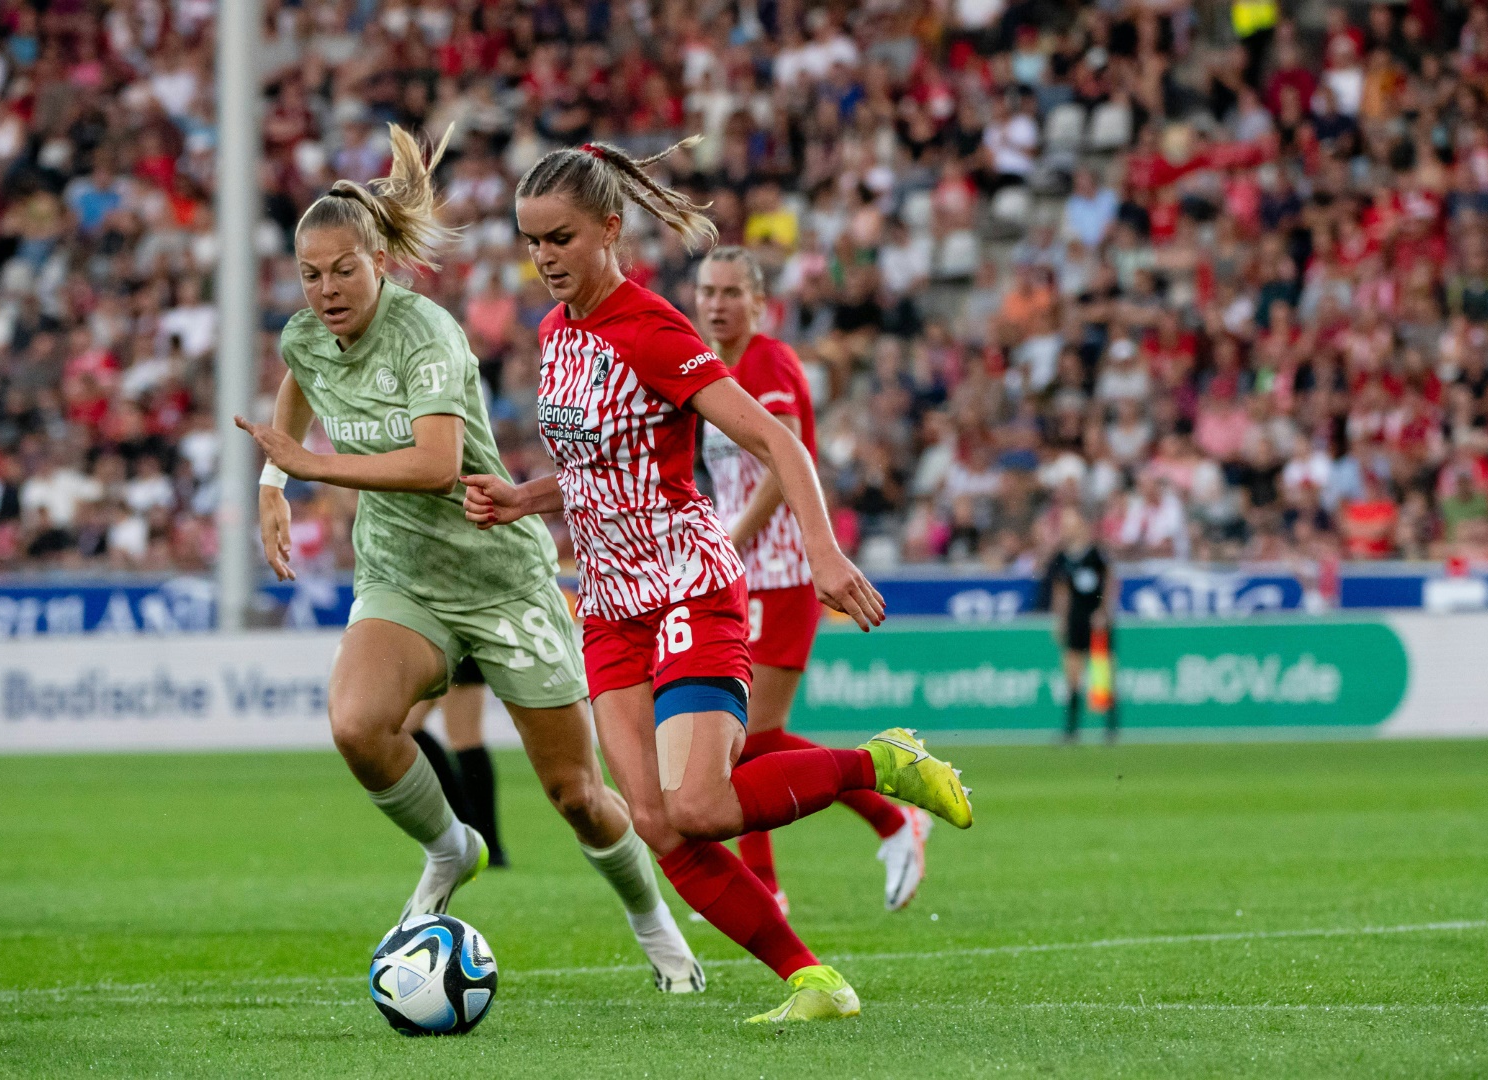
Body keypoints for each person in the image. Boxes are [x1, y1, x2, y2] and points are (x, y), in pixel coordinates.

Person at [464, 138, 974, 1025]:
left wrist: (821, 553)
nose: (543, 258)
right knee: (657, 825)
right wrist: (524, 497)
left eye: (560, 238)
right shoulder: (555, 333)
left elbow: (779, 442)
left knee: (699, 805)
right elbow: (598, 464)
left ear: (610, 229)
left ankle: (880, 763)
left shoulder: (654, 328)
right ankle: (815, 982)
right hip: (610, 607)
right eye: (532, 240)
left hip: (687, 585)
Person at [233, 123, 703, 993]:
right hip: (402, 578)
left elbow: (436, 466)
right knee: (355, 725)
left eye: (344, 269)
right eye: (311, 274)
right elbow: (299, 380)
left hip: (501, 579)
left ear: (380, 258)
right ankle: (454, 849)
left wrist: (309, 468)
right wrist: (271, 479)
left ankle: (655, 924)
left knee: (576, 796)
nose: (327, 289)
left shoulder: (429, 337)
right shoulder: (306, 333)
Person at [694, 245, 931, 913]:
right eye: (708, 291)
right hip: (744, 576)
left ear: (759, 301)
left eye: (731, 292)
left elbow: (782, 457)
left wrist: (731, 537)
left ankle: (893, 818)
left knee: (754, 737)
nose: (716, 303)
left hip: (783, 570)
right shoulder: (713, 369)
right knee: (734, 741)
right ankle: (767, 886)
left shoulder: (767, 361)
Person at [405, 658, 507, 867]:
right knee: (406, 727)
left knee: (465, 738)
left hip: (457, 639)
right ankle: (465, 833)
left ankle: (488, 846)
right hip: (434, 639)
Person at [1047, 507, 1119, 743]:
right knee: (1073, 675)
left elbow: (1110, 580)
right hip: (1076, 619)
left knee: (1101, 674)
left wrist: (1104, 611)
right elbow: (1061, 592)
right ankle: (1071, 730)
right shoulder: (1063, 558)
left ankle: (1110, 728)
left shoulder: (1096, 553)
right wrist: (1061, 620)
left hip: (1096, 619)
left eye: (1072, 524)